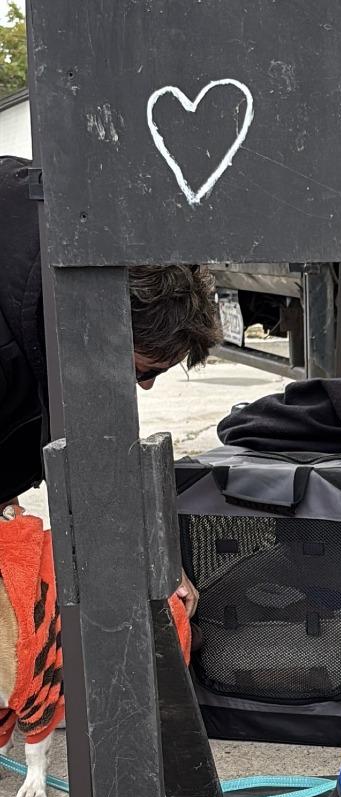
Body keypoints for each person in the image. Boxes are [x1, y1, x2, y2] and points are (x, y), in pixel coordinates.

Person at [0, 155, 222, 615]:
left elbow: (90, 449)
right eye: (141, 370)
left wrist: (148, 558)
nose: (143, 389)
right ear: (97, 331)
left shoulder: (69, 280)